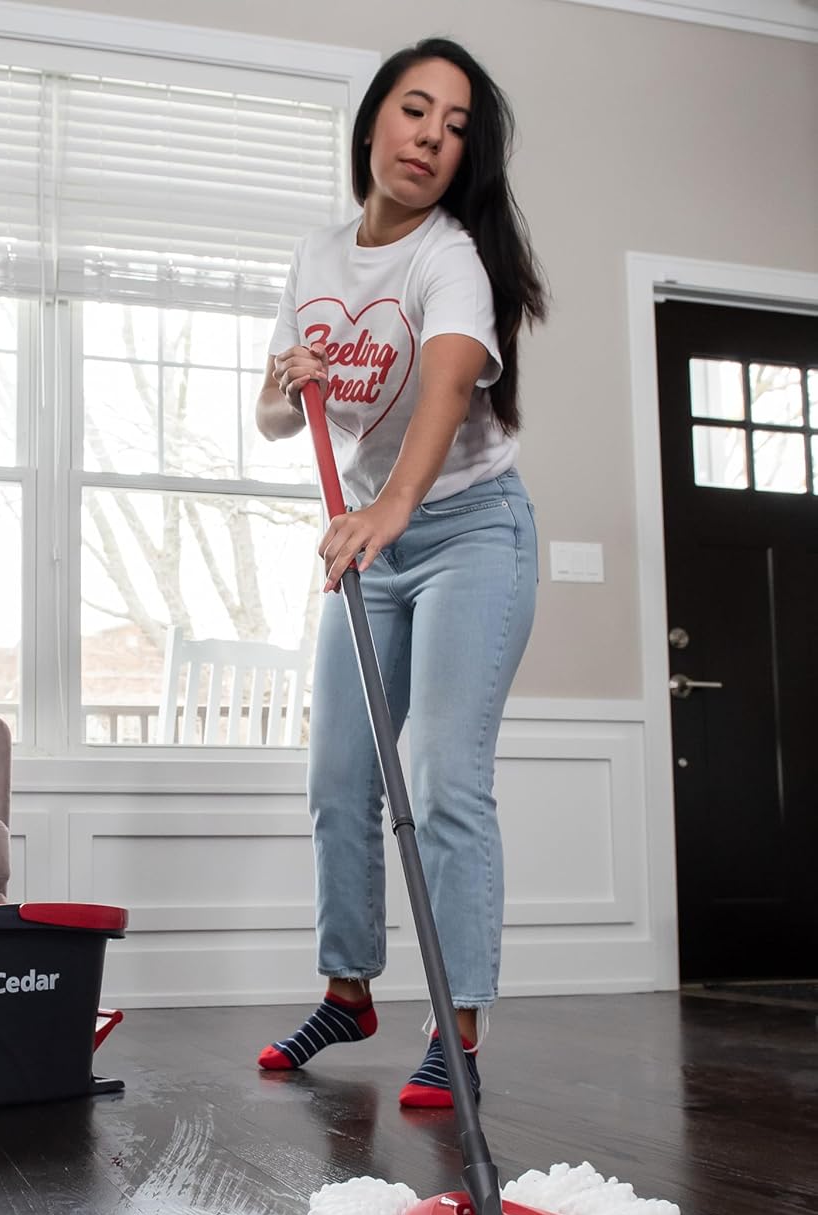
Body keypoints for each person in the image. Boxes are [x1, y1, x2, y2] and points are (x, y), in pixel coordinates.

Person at [254, 38, 547, 1107]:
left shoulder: (450, 258)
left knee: (447, 782)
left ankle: (456, 1030)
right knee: (339, 777)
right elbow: (276, 415)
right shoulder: (317, 254)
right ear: (373, 121)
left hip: (471, 533)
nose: (430, 135)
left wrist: (390, 507)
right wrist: (296, 379)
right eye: (414, 109)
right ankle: (350, 991)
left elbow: (445, 387)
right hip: (374, 548)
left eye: (455, 125)